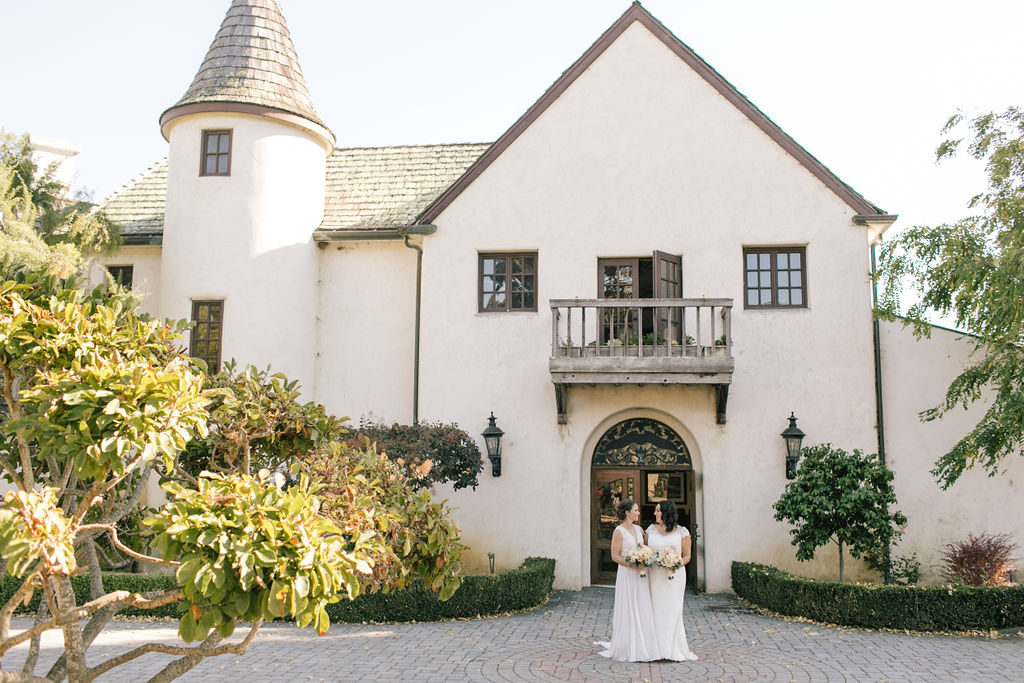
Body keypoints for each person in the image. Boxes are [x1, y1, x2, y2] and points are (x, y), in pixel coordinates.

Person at [596, 499, 659, 662]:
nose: (638, 513)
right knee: (629, 605)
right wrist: (632, 564)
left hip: (640, 575)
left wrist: (644, 559)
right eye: (636, 510)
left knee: (642, 604)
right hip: (627, 573)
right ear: (627, 512)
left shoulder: (639, 529)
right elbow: (614, 556)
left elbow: (646, 547)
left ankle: (643, 642)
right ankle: (627, 644)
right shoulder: (619, 531)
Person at [646, 499, 698, 661]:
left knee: (672, 610)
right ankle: (654, 649)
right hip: (654, 574)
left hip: (674, 575)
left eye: (658, 510)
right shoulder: (650, 530)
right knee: (654, 609)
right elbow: (646, 551)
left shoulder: (682, 532)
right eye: (655, 510)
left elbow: (687, 556)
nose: (655, 513)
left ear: (666, 512)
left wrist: (675, 563)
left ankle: (670, 649)